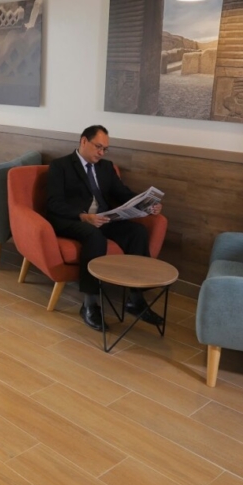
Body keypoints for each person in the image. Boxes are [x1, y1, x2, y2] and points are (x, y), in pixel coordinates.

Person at [45, 125, 163, 331]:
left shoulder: (106, 167)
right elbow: (53, 202)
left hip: (102, 218)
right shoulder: (60, 165)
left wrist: (147, 204)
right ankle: (89, 305)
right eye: (98, 147)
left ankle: (135, 300)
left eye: (105, 149)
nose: (101, 153)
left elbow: (123, 194)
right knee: (94, 237)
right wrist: (83, 216)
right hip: (73, 220)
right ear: (84, 141)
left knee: (137, 232)